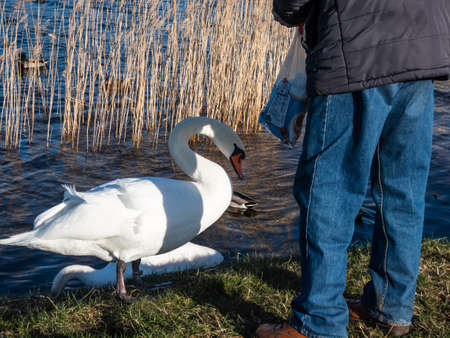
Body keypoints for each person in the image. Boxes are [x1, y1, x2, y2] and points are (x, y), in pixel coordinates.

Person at [256, 1, 450, 337]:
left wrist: (287, 11)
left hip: (355, 45)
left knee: (328, 189)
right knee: (402, 187)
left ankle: (318, 321)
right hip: (422, 44)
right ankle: (391, 306)